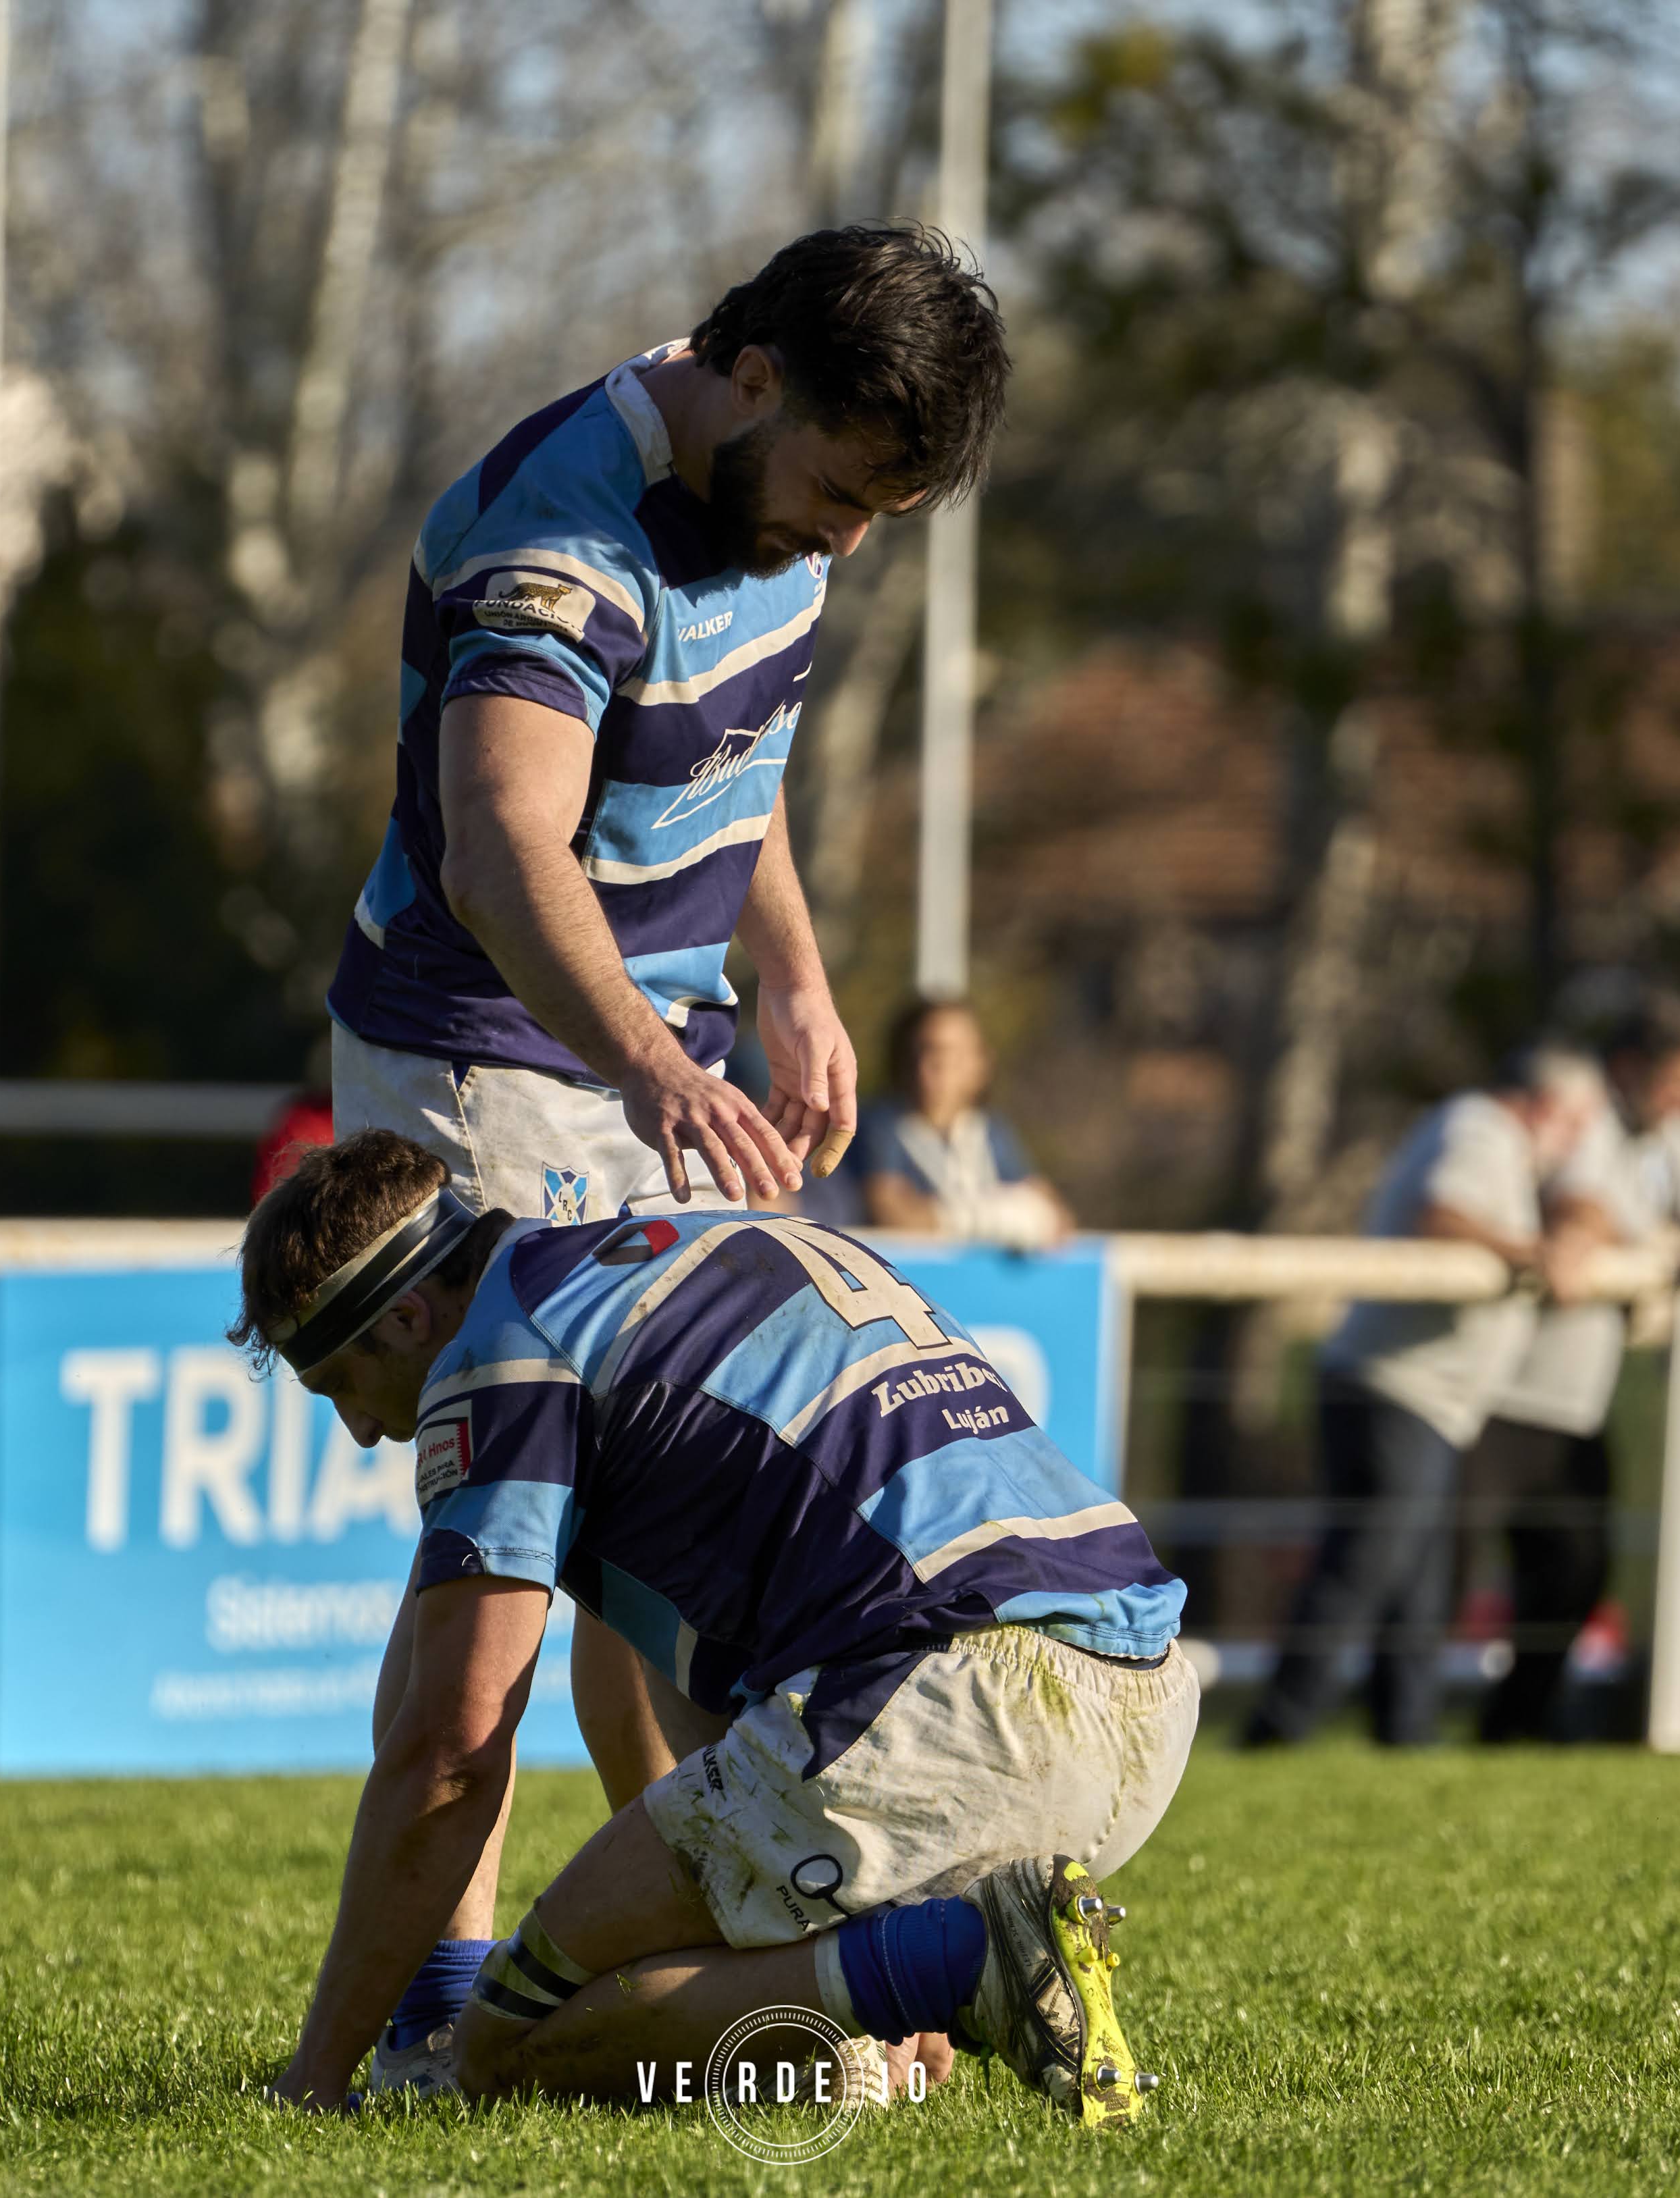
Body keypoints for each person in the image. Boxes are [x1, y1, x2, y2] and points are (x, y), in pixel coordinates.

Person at [315, 220, 1012, 2083]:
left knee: (663, 1533)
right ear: (757, 373)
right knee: (501, 1589)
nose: (850, 539)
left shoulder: (764, 494)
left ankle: (742, 1938)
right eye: (847, 492)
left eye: (886, 510)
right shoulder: (567, 538)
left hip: (646, 1066)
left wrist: (788, 980)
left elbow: (730, 763)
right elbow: (500, 844)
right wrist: (643, 1057)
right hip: (492, 1067)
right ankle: (438, 2015)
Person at [242, 1132, 1191, 2122]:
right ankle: (906, 1973)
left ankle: (960, 1957)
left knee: (504, 2040)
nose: (359, 1430)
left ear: (404, 1314)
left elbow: (451, 1751)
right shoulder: (697, 1244)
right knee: (686, 1950)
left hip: (946, 1705)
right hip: (1139, 1694)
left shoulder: (500, 1351)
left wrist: (314, 2071)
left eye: (340, 1384)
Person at [1243, 1045, 1607, 1752]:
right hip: (1395, 1388)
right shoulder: (1483, 1128)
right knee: (1366, 1568)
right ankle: (1277, 1732)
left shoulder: (1489, 1137)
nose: (1577, 1145)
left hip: (1423, 1398)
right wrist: (1534, 1253)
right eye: (1576, 1124)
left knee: (1417, 1585)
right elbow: (1441, 1213)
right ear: (1543, 1105)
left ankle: (1405, 1739)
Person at [1465, 1003, 1680, 1744]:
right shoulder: (1588, 1110)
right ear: (1629, 1071)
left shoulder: (1665, 1130)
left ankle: (1512, 1732)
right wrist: (1653, 1238)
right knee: (1443, 1570)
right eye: (1677, 1086)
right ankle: (1396, 1733)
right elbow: (1577, 1208)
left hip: (1575, 1404)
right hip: (1499, 1393)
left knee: (1578, 1576)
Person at [854, 997, 1072, 1246]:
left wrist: (1031, 1216)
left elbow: (1056, 1217)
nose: (929, 1067)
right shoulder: (881, 1125)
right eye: (920, 1052)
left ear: (980, 1064)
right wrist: (988, 1218)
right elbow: (891, 1212)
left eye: (948, 1055)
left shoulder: (990, 1131)